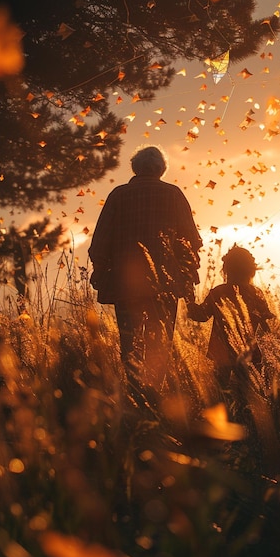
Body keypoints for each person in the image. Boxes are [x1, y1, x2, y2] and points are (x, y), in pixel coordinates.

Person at [88, 145, 202, 386]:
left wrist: (100, 269)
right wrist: (188, 274)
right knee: (160, 342)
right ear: (161, 169)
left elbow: (101, 239)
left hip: (125, 284)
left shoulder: (118, 195)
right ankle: (154, 392)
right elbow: (190, 240)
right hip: (165, 284)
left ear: (135, 168)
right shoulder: (174, 194)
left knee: (130, 342)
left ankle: (135, 389)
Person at [187, 245, 274, 389]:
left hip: (222, 353)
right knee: (252, 393)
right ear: (250, 270)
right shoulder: (255, 293)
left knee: (221, 391)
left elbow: (201, 315)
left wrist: (187, 302)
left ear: (227, 269)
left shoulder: (219, 292)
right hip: (250, 353)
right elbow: (265, 325)